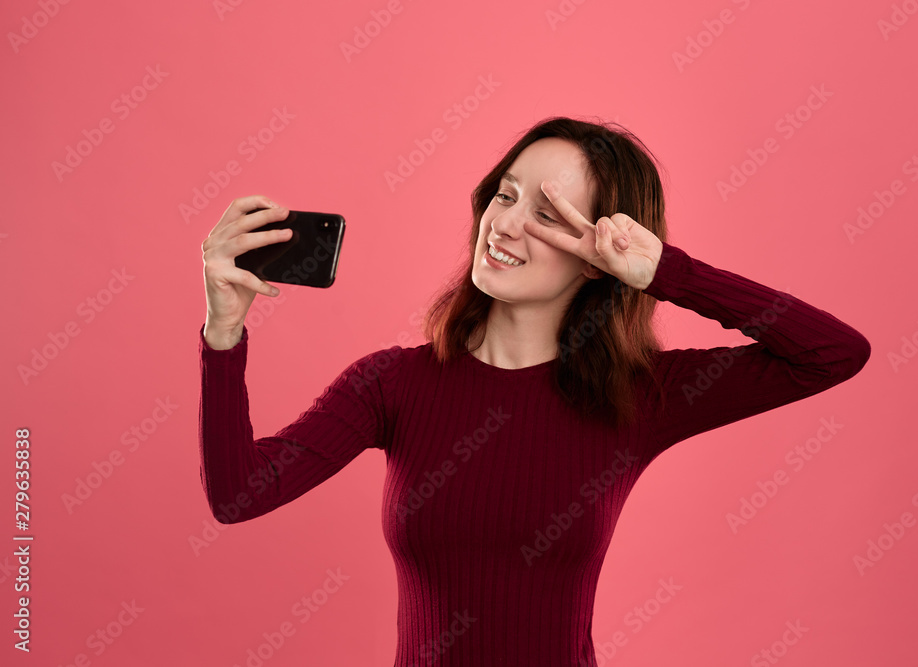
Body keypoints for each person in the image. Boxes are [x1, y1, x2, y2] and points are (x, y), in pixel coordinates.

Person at [198, 116, 870, 666]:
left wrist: (667, 271)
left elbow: (832, 353)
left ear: (600, 251)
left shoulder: (637, 395)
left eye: (549, 214)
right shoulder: (391, 383)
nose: (508, 224)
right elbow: (239, 493)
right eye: (506, 193)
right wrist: (223, 332)